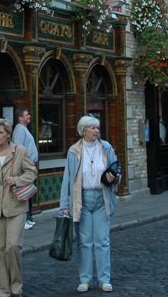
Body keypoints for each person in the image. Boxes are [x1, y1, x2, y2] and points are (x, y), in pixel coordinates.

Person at [0, 118, 37, 297]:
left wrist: (17, 180)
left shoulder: (20, 152)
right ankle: (4, 289)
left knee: (13, 246)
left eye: (0, 132)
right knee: (0, 250)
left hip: (16, 206)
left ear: (8, 134)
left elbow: (32, 172)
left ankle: (16, 285)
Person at [60, 115, 120, 293]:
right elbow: (67, 179)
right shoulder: (74, 151)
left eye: (97, 128)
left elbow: (118, 171)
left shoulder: (106, 147)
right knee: (84, 242)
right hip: (82, 200)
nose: (96, 131)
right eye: (93, 128)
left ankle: (104, 279)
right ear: (83, 130)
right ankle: (85, 279)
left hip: (102, 198)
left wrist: (115, 178)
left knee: (102, 240)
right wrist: (65, 203)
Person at [11, 108, 39, 230]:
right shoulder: (19, 130)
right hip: (24, 167)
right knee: (23, 193)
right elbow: (18, 149)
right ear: (20, 118)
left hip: (28, 166)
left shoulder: (23, 129)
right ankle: (22, 220)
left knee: (26, 193)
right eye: (26, 115)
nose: (29, 116)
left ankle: (26, 218)